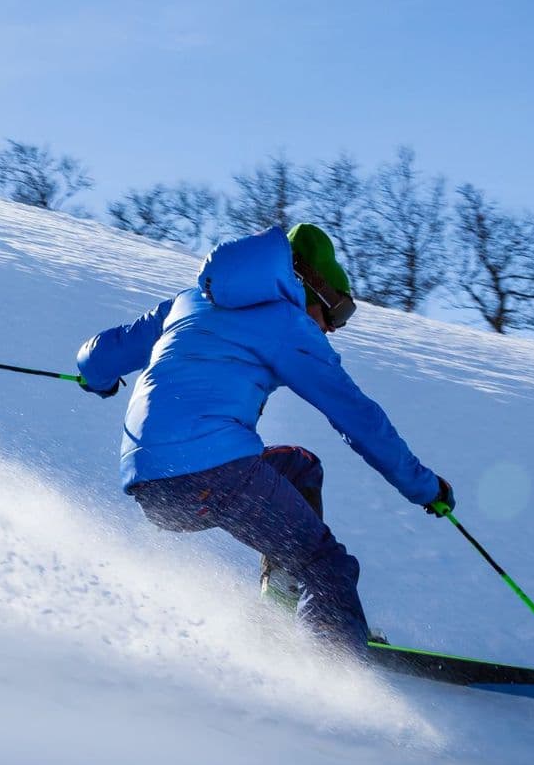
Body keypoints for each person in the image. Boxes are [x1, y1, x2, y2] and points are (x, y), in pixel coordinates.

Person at [76, 223, 453, 658]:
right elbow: (357, 417)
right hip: (214, 471)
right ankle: (334, 664)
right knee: (325, 564)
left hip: (152, 487)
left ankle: (278, 616)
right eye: (338, 313)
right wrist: (424, 487)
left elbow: (99, 355)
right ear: (313, 287)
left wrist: (98, 380)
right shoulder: (287, 325)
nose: (332, 328)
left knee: (299, 467)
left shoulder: (189, 301)